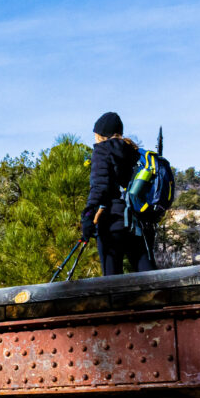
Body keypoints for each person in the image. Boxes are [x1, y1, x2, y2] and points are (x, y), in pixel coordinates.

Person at [80, 112, 156, 276]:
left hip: (111, 222)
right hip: (136, 222)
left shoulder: (102, 151)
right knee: (148, 275)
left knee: (111, 281)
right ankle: (161, 299)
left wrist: (87, 215)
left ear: (101, 135)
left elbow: (99, 187)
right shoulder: (134, 151)